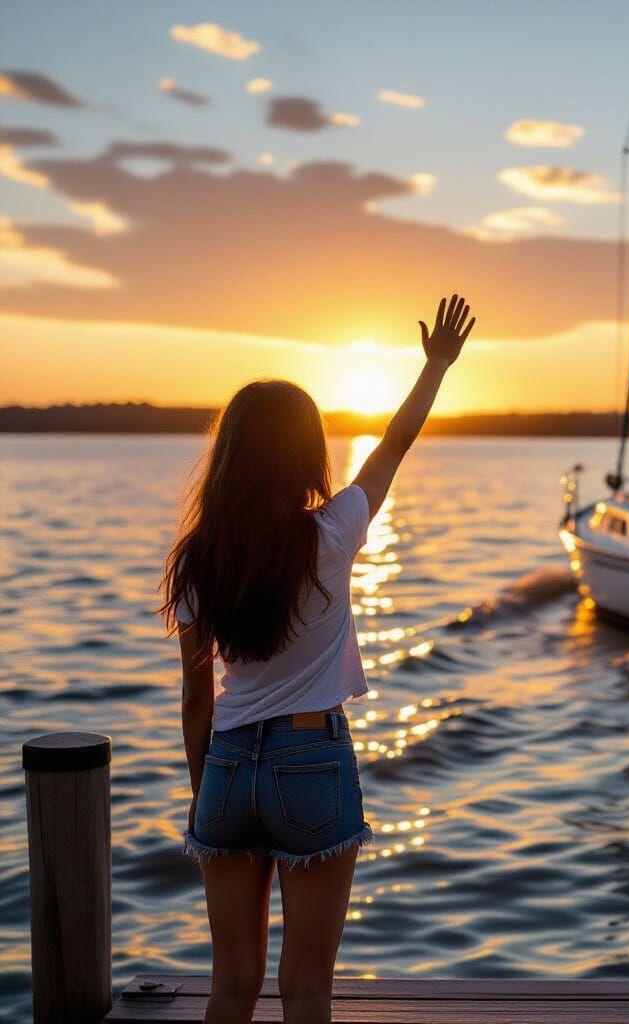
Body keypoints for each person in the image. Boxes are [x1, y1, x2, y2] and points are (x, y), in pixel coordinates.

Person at [161, 294, 475, 1024]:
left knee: (230, 985)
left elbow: (195, 699)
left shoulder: (199, 558)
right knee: (305, 988)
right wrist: (435, 367)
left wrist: (206, 792)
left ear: (230, 454)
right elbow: (392, 445)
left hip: (229, 767)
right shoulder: (332, 534)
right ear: (305, 451)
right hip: (311, 759)